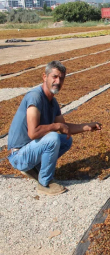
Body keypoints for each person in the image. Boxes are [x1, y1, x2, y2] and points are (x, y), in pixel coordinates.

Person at [7, 61, 102, 195]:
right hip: (18, 154)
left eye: (61, 78)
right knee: (53, 138)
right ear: (45, 77)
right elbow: (33, 132)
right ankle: (44, 182)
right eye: (54, 77)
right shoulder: (35, 97)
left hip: (30, 149)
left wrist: (86, 127)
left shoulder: (53, 102)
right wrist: (56, 126)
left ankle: (36, 168)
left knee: (66, 140)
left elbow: (64, 127)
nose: (58, 81)